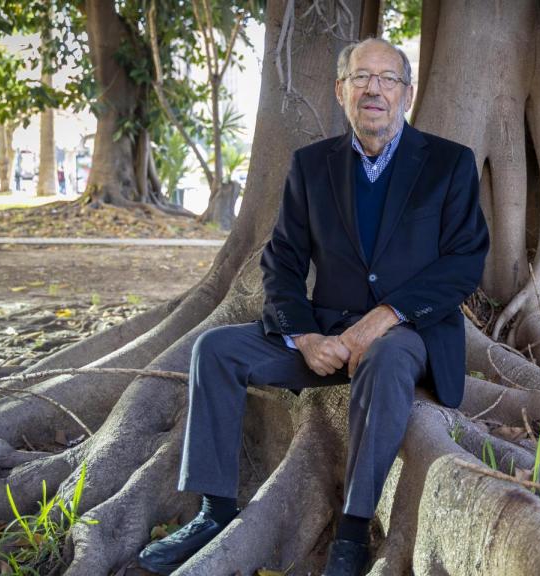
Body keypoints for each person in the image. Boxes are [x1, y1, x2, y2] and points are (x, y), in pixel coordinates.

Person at [137, 38, 489, 576]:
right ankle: (214, 510)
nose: (374, 89)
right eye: (361, 77)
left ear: (407, 93)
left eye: (387, 78)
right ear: (341, 91)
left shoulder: (449, 163)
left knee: (385, 357)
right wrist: (304, 336)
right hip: (323, 336)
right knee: (215, 348)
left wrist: (386, 316)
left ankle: (351, 532)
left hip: (408, 334)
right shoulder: (310, 166)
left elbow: (464, 262)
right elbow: (281, 263)